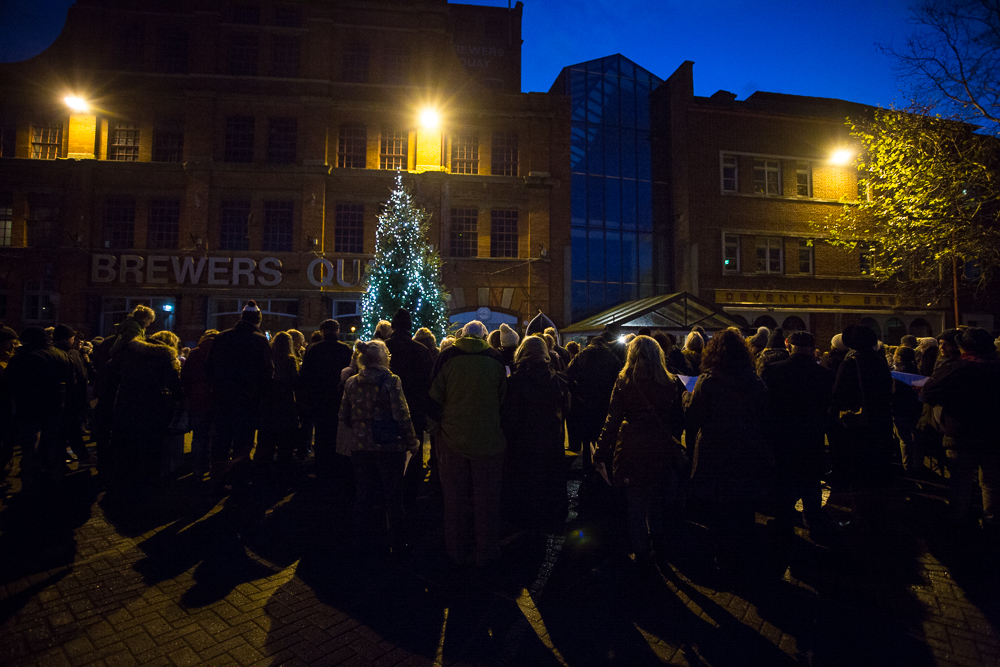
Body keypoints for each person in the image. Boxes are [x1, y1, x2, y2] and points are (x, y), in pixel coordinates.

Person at [685, 327, 772, 574]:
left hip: (716, 449)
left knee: (719, 508)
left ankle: (724, 559)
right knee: (743, 506)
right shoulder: (754, 381)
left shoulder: (708, 381)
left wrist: (685, 400)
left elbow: (694, 417)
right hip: (747, 447)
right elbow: (764, 415)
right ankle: (745, 555)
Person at [594, 336, 686, 560]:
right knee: (654, 495)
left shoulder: (625, 380)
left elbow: (612, 419)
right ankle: (658, 539)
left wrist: (601, 450)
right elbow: (678, 418)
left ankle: (641, 551)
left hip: (632, 445)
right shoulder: (669, 381)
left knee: (635, 500)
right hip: (660, 444)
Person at [427, 320, 507, 569]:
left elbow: (432, 398)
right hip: (488, 439)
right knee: (487, 501)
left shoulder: (446, 356)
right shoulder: (496, 358)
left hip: (452, 439)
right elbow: (504, 397)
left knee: (454, 500)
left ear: (462, 335)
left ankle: (456, 550)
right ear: (484, 336)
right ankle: (486, 550)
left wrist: (435, 431)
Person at [339, 339, 420, 556]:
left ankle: (361, 539)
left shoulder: (351, 383)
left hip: (360, 446)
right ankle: (397, 541)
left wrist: (360, 428)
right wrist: (412, 442)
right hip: (389, 446)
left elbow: (344, 415)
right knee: (393, 495)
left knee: (364, 494)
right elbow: (402, 415)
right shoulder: (391, 381)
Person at [760, 331, 836, 546]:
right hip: (812, 436)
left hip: (783, 436)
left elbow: (768, 406)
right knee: (811, 481)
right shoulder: (825, 375)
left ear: (788, 345)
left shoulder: (774, 371)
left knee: (785, 481)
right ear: (812, 348)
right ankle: (814, 522)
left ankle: (785, 523)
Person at [921, 327, 1000, 530]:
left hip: (961, 433)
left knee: (960, 481)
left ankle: (958, 518)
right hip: (994, 434)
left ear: (964, 347)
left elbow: (929, 392)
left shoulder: (958, 368)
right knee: (991, 483)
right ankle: (991, 521)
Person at [502, 336, 571, 539]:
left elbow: (509, 416)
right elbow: (566, 409)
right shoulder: (558, 381)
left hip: (522, 445)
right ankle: (550, 522)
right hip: (551, 443)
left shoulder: (513, 382)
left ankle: (525, 524)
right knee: (550, 484)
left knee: (525, 487)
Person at [830, 325, 894, 533]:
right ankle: (878, 514)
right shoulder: (879, 361)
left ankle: (860, 517)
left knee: (858, 472)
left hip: (858, 427)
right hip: (880, 424)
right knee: (876, 471)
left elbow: (838, 394)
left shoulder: (851, 362)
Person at [206, 300, 274, 489]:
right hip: (248, 402)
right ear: (257, 320)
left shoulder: (222, 337)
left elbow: (209, 367)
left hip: (223, 400)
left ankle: (217, 479)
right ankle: (238, 481)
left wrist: (217, 388)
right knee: (243, 443)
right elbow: (267, 372)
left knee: (220, 441)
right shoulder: (259, 340)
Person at [2, 327, 72, 495]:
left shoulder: (21, 358)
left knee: (30, 448)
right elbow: (71, 381)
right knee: (54, 444)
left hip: (28, 408)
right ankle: (56, 479)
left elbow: (7, 386)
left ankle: (30, 484)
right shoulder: (61, 355)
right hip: (55, 408)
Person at [299, 318, 353, 485]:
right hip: (338, 398)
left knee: (321, 434)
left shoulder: (313, 349)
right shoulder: (345, 349)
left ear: (322, 331)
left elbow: (305, 376)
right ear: (337, 330)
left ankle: (322, 467)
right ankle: (337, 467)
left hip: (319, 398)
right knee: (337, 433)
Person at [565, 333, 622, 465]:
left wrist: (577, 392)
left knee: (586, 440)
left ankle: (588, 469)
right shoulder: (612, 357)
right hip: (605, 403)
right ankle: (603, 469)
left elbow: (567, 376)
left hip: (585, 403)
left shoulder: (582, 355)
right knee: (604, 438)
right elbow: (618, 380)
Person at [53, 325, 95, 468]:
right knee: (71, 430)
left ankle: (65, 456)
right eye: (72, 338)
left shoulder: (73, 353)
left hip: (73, 398)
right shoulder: (63, 353)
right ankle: (80, 456)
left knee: (68, 430)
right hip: (69, 399)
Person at [256, 332, 300, 466]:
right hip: (285, 403)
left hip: (269, 403)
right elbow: (295, 382)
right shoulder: (290, 360)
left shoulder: (268, 359)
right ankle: (283, 469)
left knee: (267, 439)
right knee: (285, 441)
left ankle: (264, 467)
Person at [181, 330, 218, 477]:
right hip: (216, 399)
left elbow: (185, 377)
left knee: (198, 436)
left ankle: (196, 469)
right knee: (215, 436)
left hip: (198, 398)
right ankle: (211, 467)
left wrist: (188, 394)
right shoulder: (221, 353)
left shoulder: (195, 353)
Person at [891, 346, 924, 473]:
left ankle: (907, 466)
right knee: (917, 436)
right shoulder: (916, 371)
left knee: (904, 439)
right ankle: (919, 463)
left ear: (899, 357)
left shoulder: (896, 374)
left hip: (900, 408)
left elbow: (894, 392)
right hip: (915, 407)